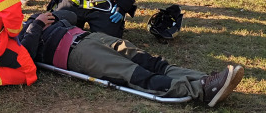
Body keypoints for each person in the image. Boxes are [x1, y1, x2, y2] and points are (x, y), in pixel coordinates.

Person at [18, 10, 245, 108]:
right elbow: (25, 57)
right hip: (76, 54)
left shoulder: (30, 20)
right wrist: (36, 25)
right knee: (136, 75)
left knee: (150, 62)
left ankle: (205, 79)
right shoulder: (14, 38)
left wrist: (50, 16)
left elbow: (70, 15)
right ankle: (201, 91)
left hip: (90, 38)